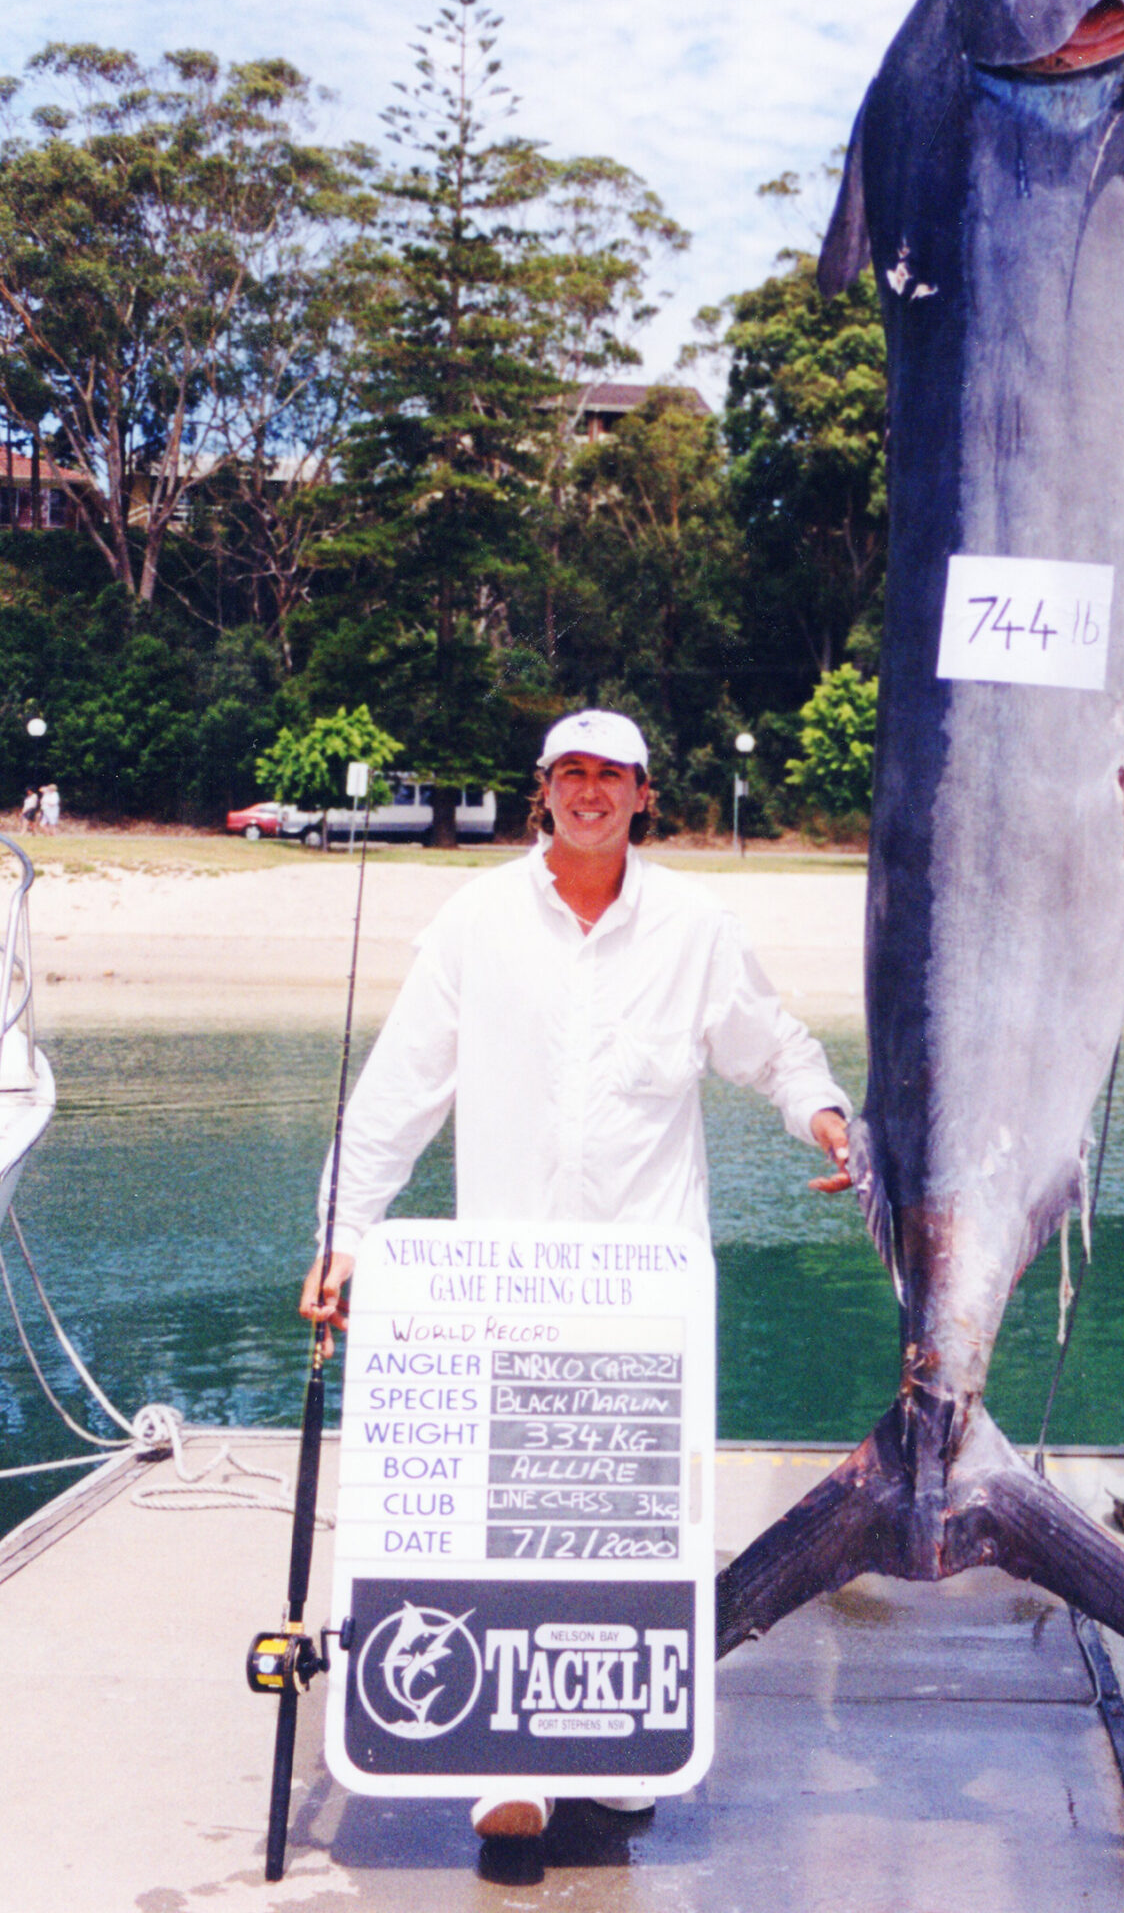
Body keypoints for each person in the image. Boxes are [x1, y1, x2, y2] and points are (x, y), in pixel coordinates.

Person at [298, 707, 853, 1848]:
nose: (591, 791)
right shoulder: (473, 918)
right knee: (504, 1518)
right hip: (500, 1291)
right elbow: (395, 1095)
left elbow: (774, 1049)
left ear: (646, 794)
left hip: (645, 1296)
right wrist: (343, 1233)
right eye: (571, 774)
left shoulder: (697, 925)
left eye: (613, 775)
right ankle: (508, 1767)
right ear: (540, 789)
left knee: (633, 1523)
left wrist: (832, 1121)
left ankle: (614, 1747)